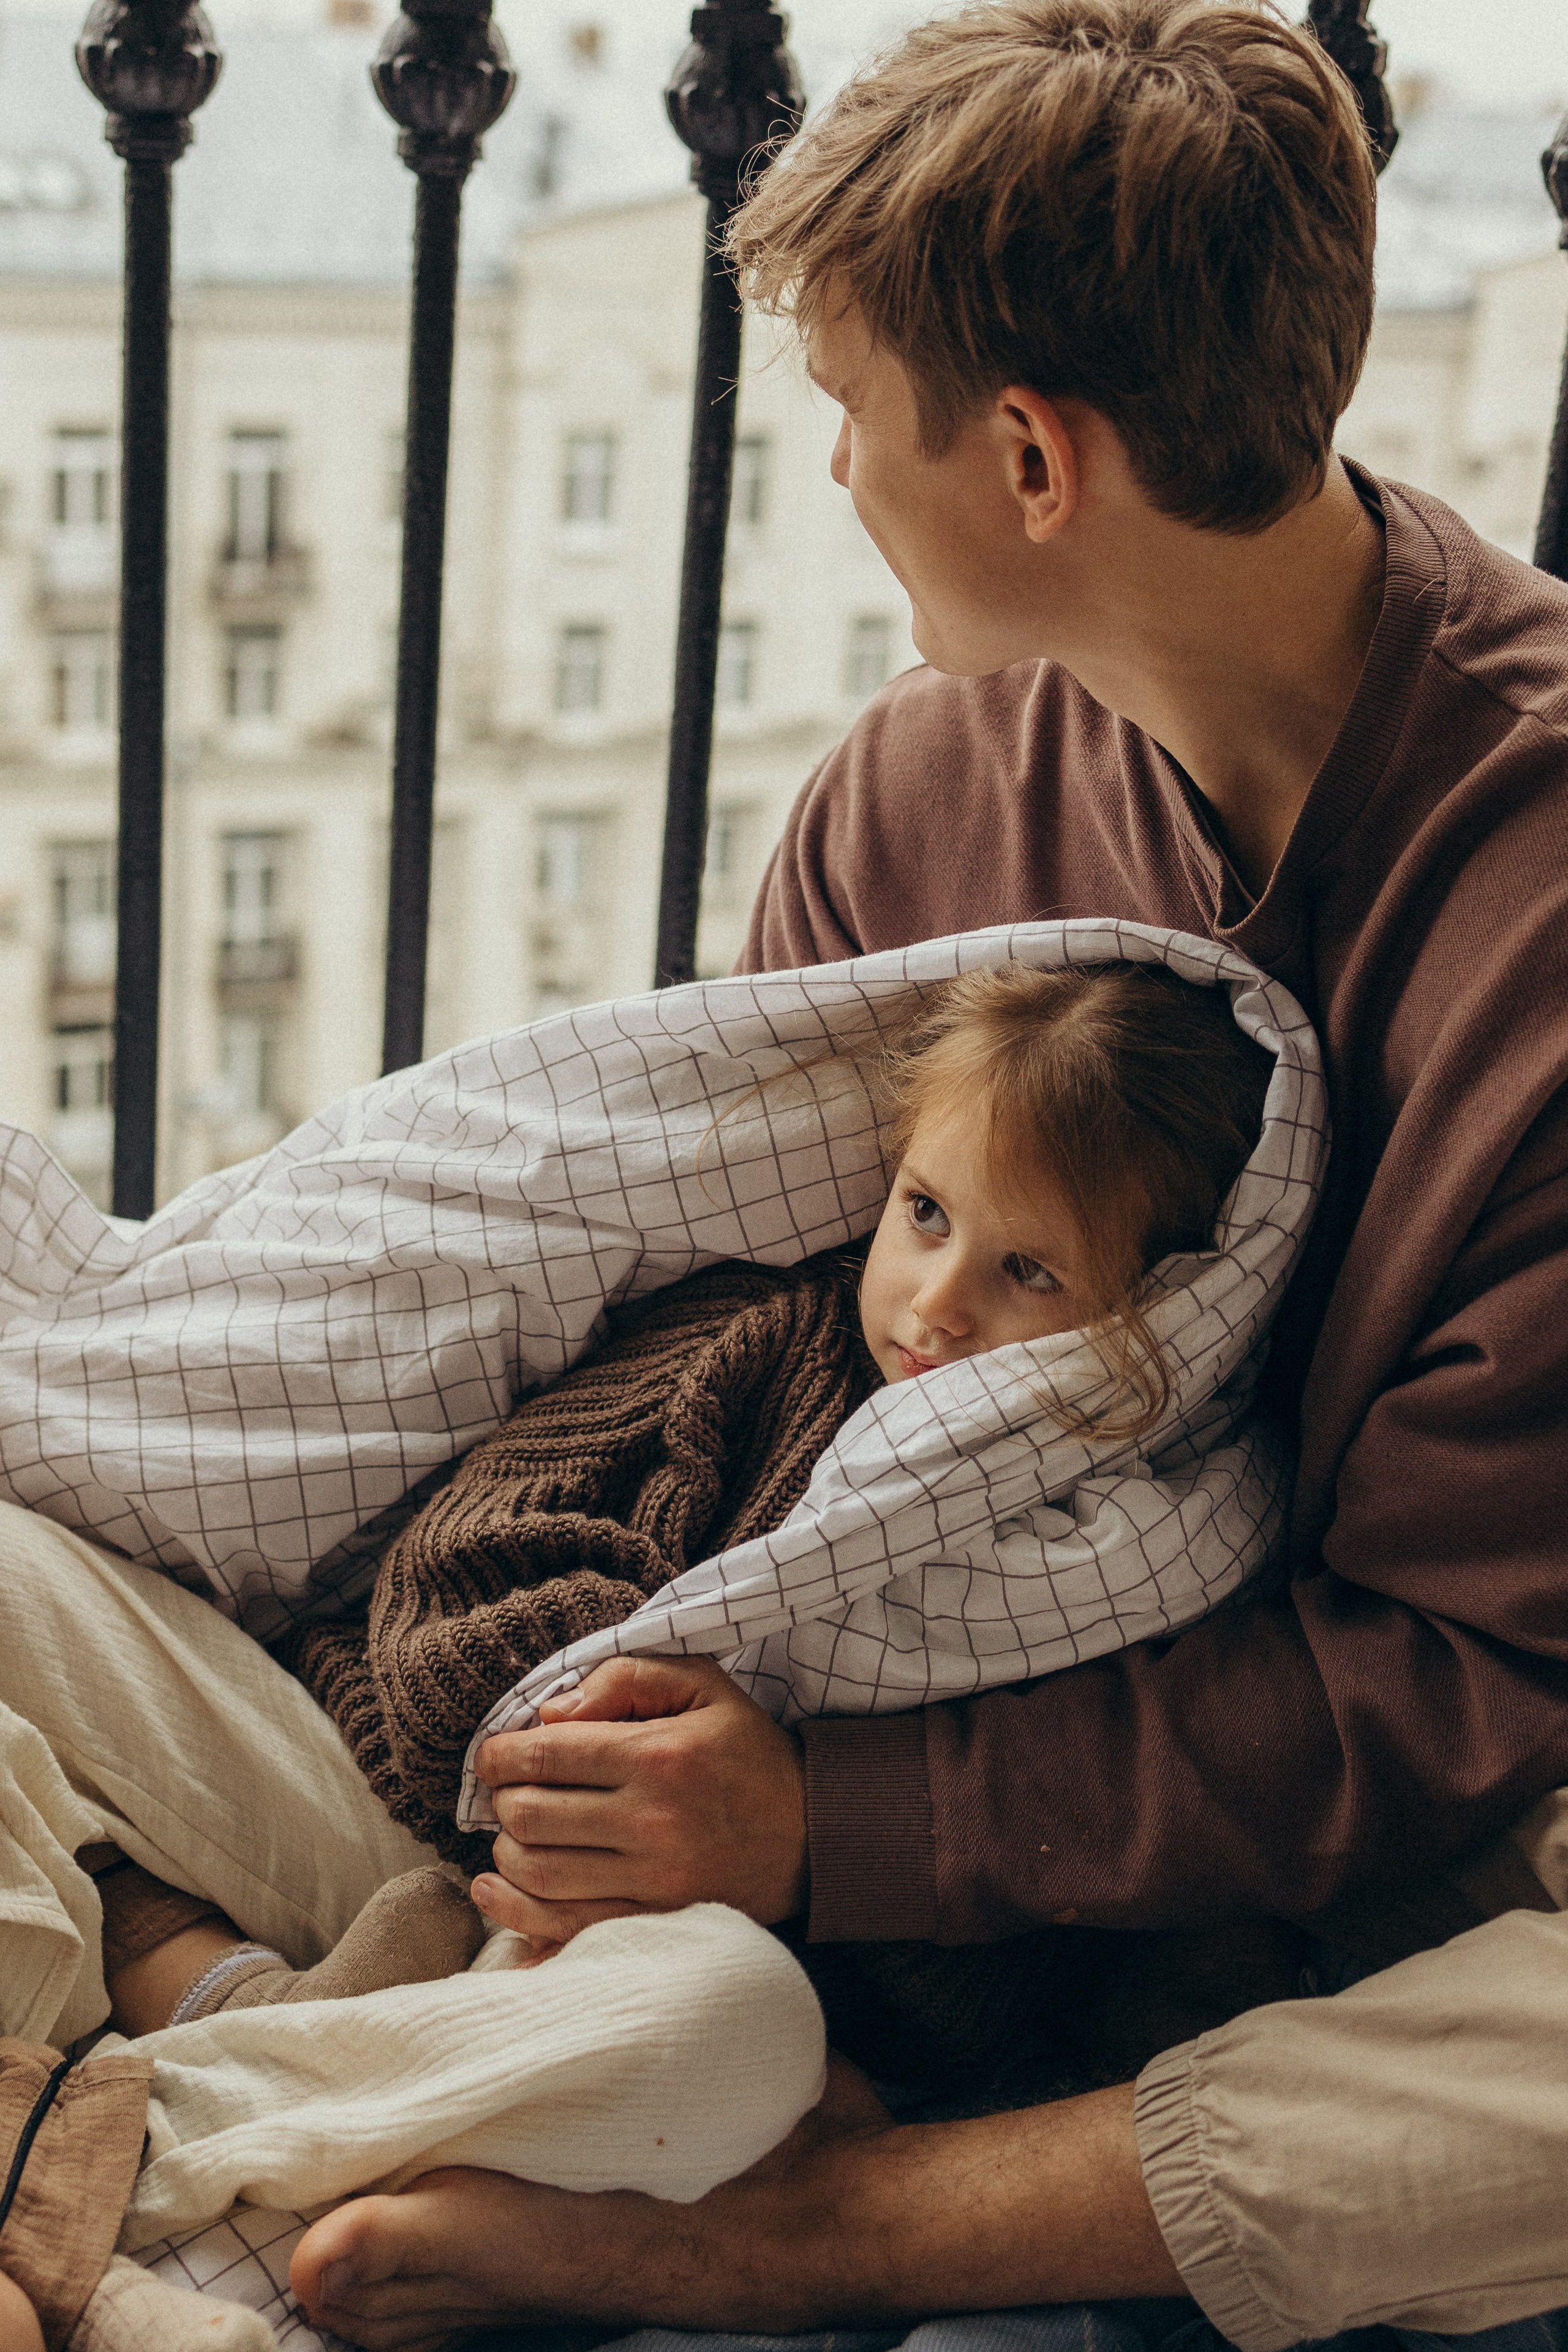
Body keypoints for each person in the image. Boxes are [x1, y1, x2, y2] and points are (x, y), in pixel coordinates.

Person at [284, 0, 1568, 2345]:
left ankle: (823, 2232)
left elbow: (1461, 1679)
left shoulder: (1540, 932)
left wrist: (834, 1833)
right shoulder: (923, 792)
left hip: (1437, 1822)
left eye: (852, 416)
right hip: (857, 1735)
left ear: (1029, 459)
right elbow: (744, 1335)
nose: (842, 474)